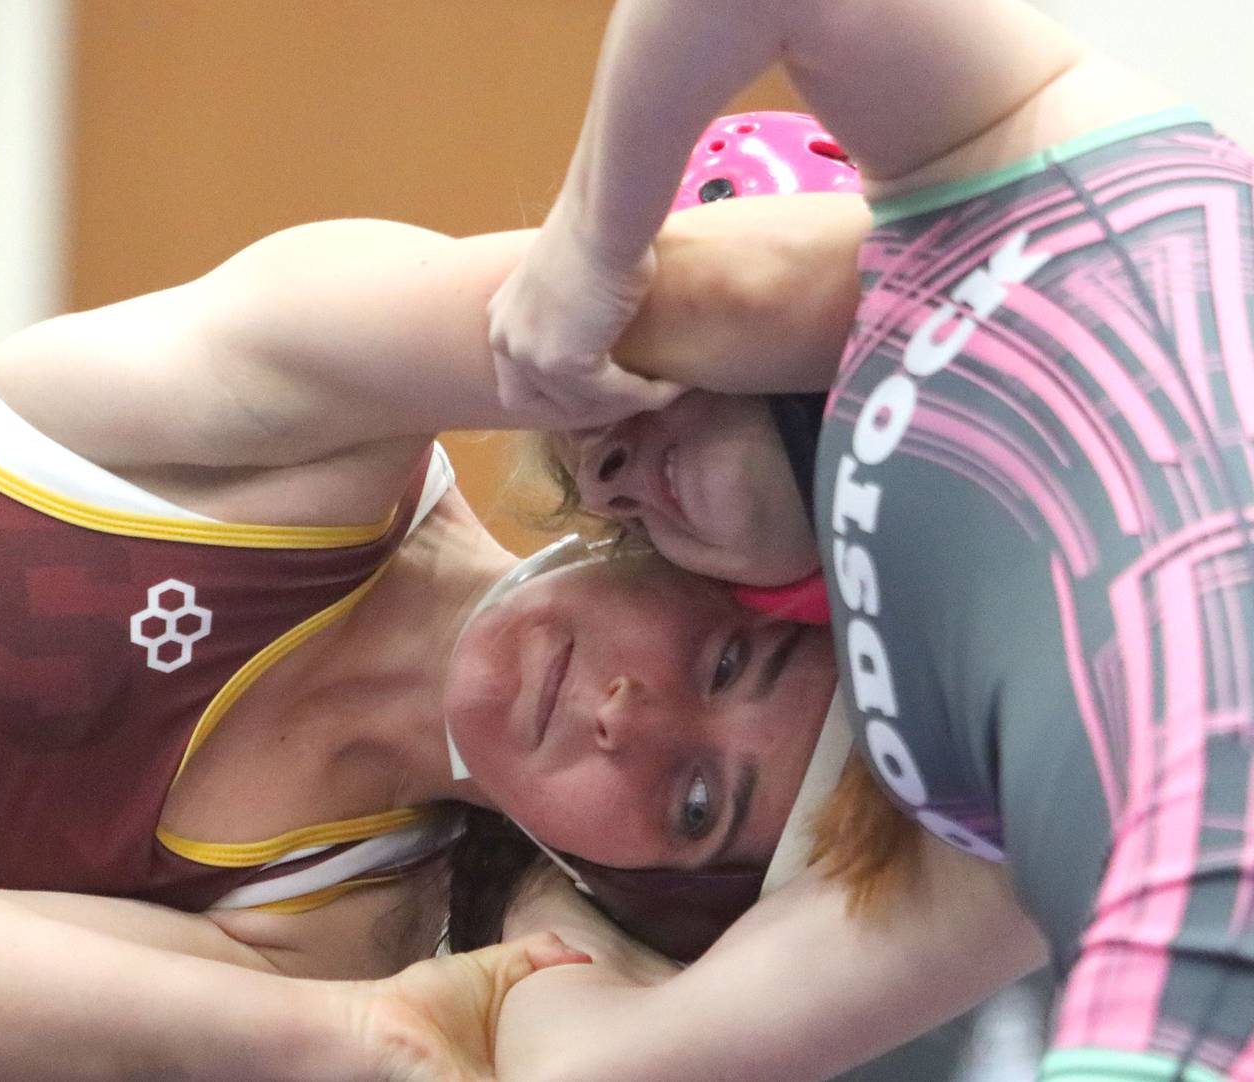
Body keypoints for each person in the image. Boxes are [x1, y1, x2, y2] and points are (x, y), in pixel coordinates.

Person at [0, 186, 873, 1079]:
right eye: (726, 659)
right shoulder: (332, 428)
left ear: (634, 886)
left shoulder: (329, 944)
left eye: (694, 800)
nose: (625, 717)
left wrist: (354, 1036)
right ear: (697, 545)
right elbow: (700, 297)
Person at [488, 0, 1254, 1079]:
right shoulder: (926, 794)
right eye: (613, 506)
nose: (613, 475)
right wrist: (543, 879)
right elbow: (584, 1067)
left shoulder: (1003, 166)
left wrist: (593, 244)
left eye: (636, 383)